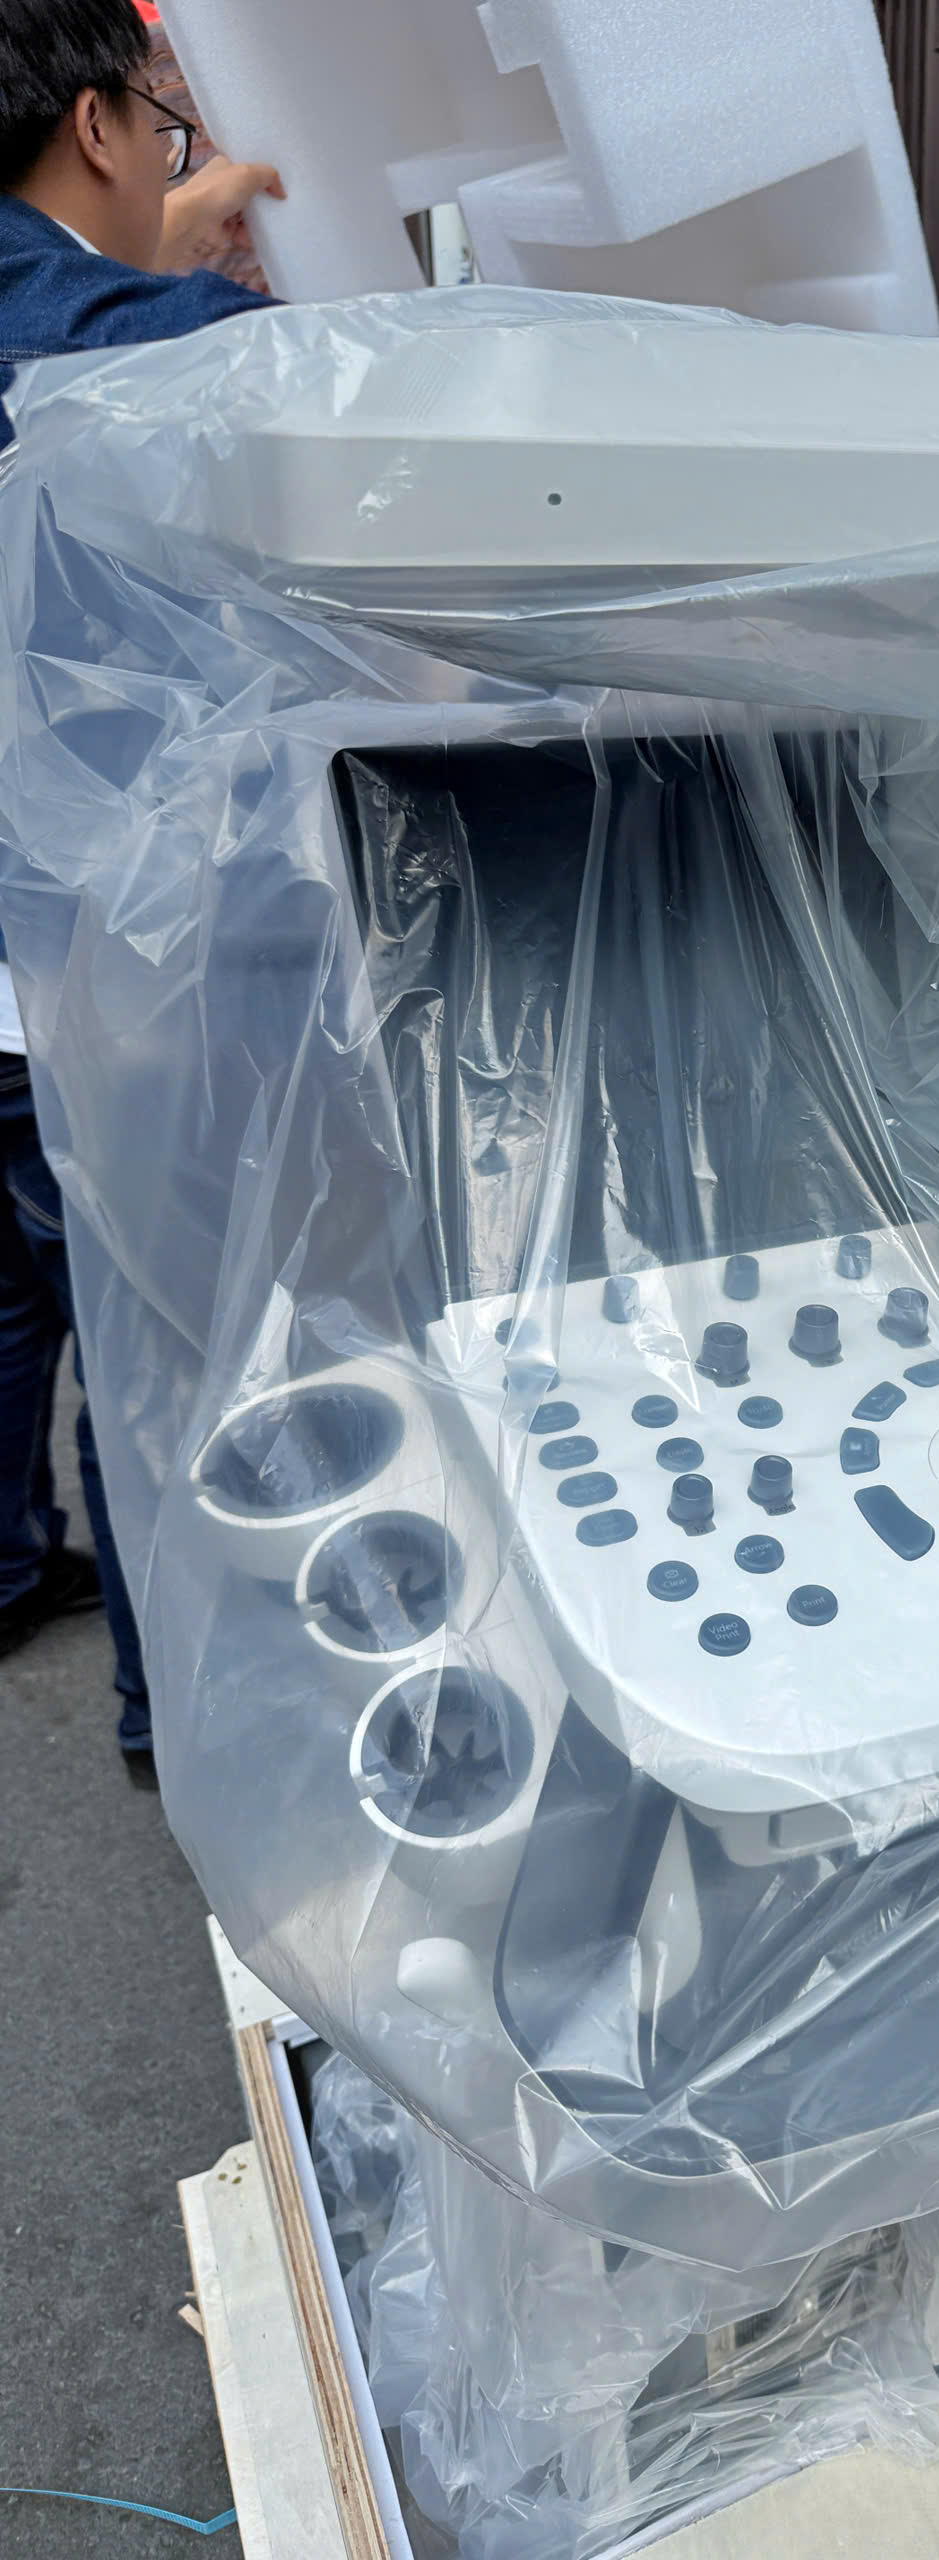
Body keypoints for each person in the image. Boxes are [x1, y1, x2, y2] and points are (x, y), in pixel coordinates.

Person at [0, 0, 281, 1770]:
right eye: (163, 134)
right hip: (86, 983)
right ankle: (174, 1724)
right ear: (100, 123)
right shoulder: (148, 360)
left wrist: (200, 206)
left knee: (10, 1301)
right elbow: (112, 334)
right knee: (152, 1340)